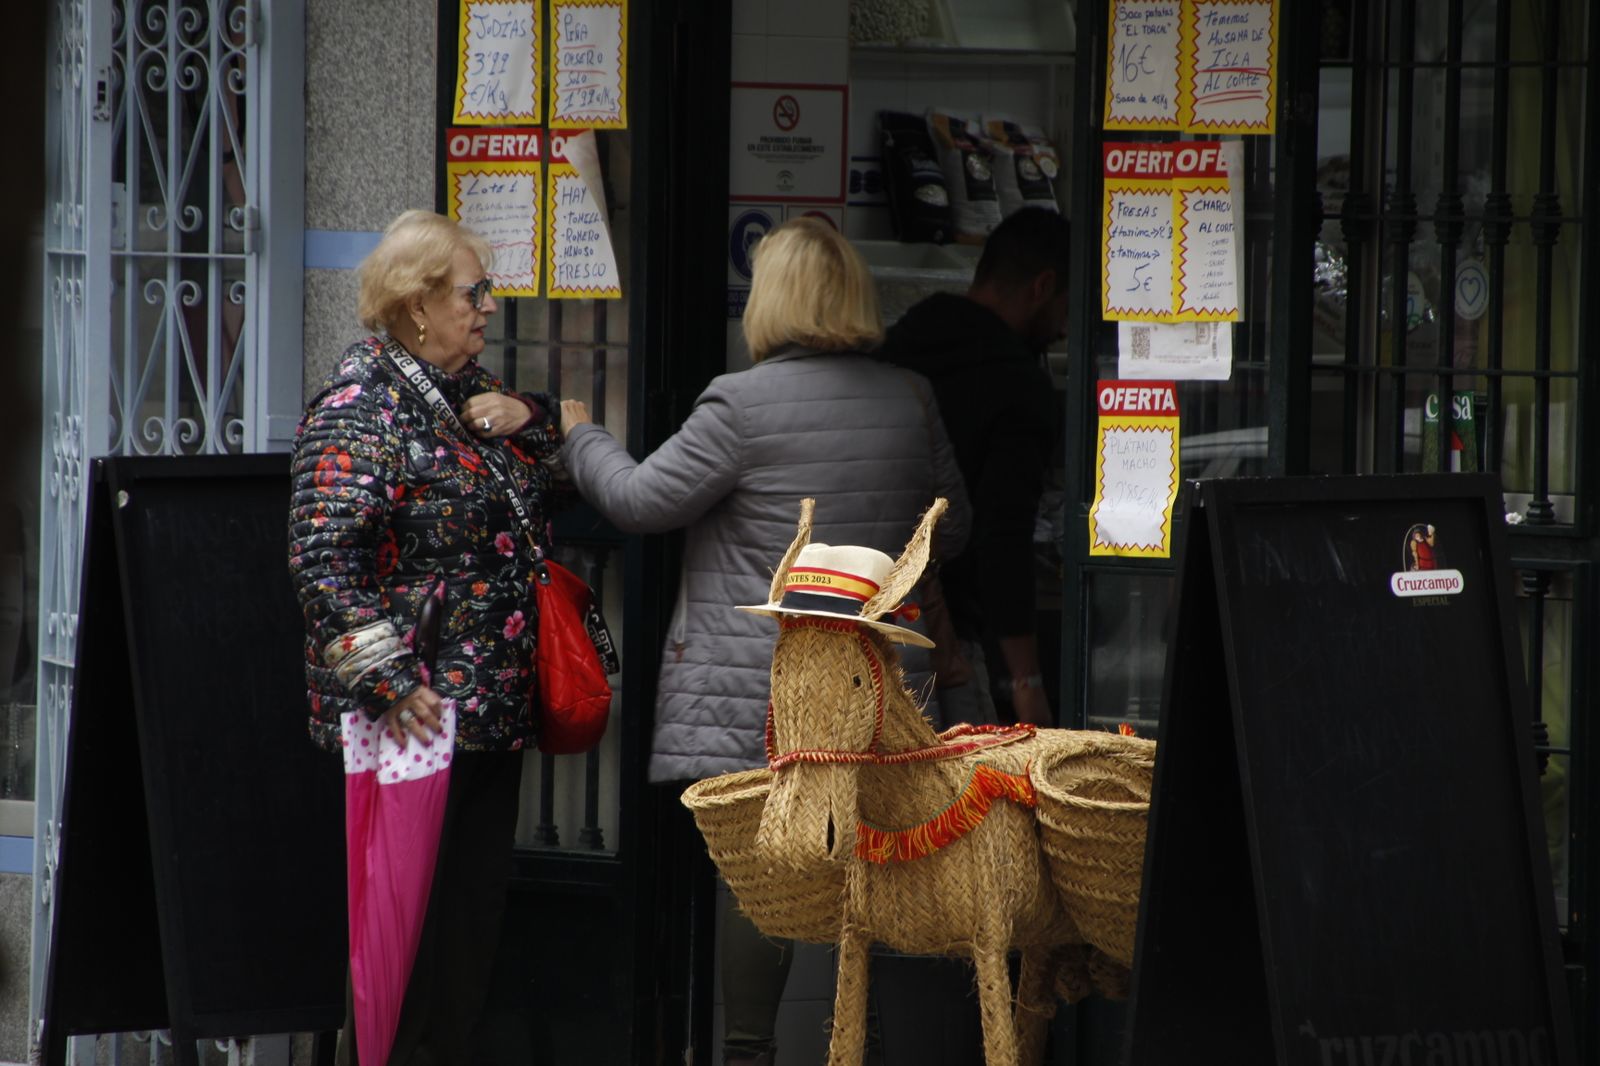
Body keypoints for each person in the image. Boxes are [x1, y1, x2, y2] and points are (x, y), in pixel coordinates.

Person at [558, 217, 970, 1066]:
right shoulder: (912, 397)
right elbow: (952, 529)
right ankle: (863, 1047)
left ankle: (748, 1054)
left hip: (760, 687)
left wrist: (579, 435)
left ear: (771, 301)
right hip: (873, 685)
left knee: (765, 877)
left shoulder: (740, 404)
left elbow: (638, 501)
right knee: (867, 872)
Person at [287, 209, 568, 1065]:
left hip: (481, 718)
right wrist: (393, 682)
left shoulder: (463, 396)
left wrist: (530, 411)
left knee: (461, 948)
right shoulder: (361, 406)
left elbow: (552, 443)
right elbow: (323, 561)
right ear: (417, 304)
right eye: (473, 293)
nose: (488, 308)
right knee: (400, 956)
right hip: (408, 723)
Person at [878, 206, 1069, 729]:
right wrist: (1027, 682)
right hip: (953, 635)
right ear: (1042, 286)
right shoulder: (1018, 388)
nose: (1065, 328)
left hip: (869, 623)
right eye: (1067, 307)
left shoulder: (902, 345)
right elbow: (1003, 539)